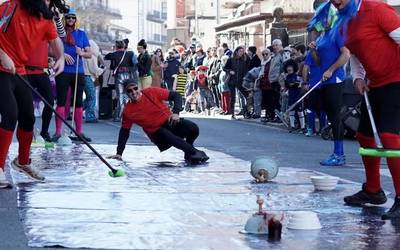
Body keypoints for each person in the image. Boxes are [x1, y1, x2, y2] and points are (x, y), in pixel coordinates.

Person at [328, 0, 400, 220]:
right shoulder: (344, 22)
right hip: (375, 84)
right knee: (365, 136)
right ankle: (373, 190)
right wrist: (358, 77)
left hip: (397, 81)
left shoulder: (377, 9)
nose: (335, 1)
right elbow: (356, 52)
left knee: (390, 137)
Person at [0, 0, 66, 188]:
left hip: (19, 71)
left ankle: (22, 162)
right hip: (0, 69)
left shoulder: (46, 18)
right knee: (10, 115)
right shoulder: (10, 7)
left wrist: (60, 57)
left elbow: (55, 41)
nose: (47, 2)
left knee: (28, 118)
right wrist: (2, 54)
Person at [108, 79, 209, 164]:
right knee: (165, 133)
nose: (134, 92)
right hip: (158, 134)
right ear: (127, 94)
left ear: (139, 87)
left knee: (193, 128)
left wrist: (176, 113)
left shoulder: (150, 92)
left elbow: (176, 95)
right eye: (130, 91)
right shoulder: (128, 111)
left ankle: (189, 152)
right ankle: (195, 152)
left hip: (170, 122)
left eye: (135, 88)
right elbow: (124, 132)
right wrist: (119, 153)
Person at [307, 2, 349, 166]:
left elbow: (346, 54)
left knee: (334, 116)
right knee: (327, 112)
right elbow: (318, 62)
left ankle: (339, 154)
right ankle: (337, 153)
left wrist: (331, 70)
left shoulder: (336, 33)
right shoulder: (322, 36)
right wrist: (313, 50)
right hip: (324, 80)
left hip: (335, 79)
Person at [53, 8, 92, 142]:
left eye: (73, 18)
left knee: (79, 103)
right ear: (65, 18)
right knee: (61, 101)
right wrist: (62, 55)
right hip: (63, 71)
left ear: (76, 20)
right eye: (68, 17)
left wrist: (81, 53)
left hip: (78, 72)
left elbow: (89, 53)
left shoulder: (81, 34)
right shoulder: (59, 33)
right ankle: (58, 132)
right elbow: (50, 50)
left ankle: (79, 132)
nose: (70, 20)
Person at [104, 40, 136, 122]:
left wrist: (113, 50)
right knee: (127, 95)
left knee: (120, 96)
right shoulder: (130, 54)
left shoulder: (113, 54)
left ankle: (119, 115)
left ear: (116, 46)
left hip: (119, 76)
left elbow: (106, 57)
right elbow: (134, 63)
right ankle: (128, 115)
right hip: (128, 75)